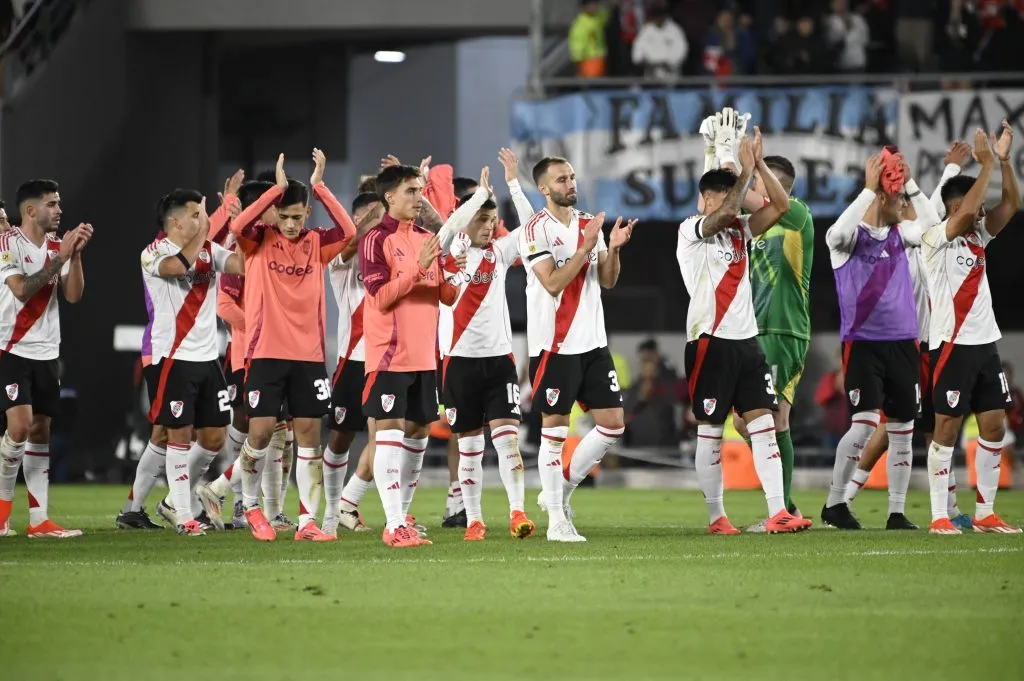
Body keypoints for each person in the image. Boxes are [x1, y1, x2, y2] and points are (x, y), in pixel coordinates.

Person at [677, 128, 810, 535]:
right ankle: (717, 517)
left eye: (727, 197)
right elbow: (722, 215)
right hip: (709, 342)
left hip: (747, 342)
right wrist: (743, 173)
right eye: (717, 198)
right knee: (712, 430)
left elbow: (783, 206)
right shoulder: (691, 230)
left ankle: (778, 512)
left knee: (764, 422)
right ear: (705, 200)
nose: (726, 206)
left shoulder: (742, 232)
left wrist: (759, 166)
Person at [844, 141, 975, 531]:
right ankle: (844, 499)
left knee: (935, 427)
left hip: (929, 343)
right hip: (908, 344)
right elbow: (931, 213)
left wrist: (949, 170)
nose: (903, 200)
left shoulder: (920, 234)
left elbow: (932, 207)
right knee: (892, 428)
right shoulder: (893, 239)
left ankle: (948, 509)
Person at [231, 150, 357, 542]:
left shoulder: (317, 243)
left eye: (296, 216)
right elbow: (238, 223)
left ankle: (306, 522)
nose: (288, 224)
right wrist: (277, 190)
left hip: (308, 356)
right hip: (266, 353)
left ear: (306, 214)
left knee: (308, 437)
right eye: (283, 216)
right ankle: (251, 507)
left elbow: (350, 231)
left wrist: (319, 187)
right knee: (262, 433)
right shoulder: (256, 242)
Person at [117, 171, 243, 531]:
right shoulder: (154, 252)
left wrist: (243, 227)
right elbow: (177, 268)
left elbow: (242, 266)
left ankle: (140, 507)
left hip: (207, 358)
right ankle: (183, 515)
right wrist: (211, 225)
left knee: (213, 436)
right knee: (177, 434)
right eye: (195, 213)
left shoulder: (209, 249)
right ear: (175, 222)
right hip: (171, 356)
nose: (201, 219)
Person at [709, 107, 816, 527]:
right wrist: (722, 157)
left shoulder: (797, 216)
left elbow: (758, 197)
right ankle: (786, 506)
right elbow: (722, 203)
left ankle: (784, 509)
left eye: (756, 180)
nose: (749, 186)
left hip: (783, 328)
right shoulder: (754, 222)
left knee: (769, 419)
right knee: (749, 420)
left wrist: (745, 165)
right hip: (756, 330)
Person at [822, 149, 940, 530]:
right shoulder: (847, 240)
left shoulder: (902, 236)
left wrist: (910, 184)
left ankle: (896, 512)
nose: (905, 204)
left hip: (905, 343)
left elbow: (934, 226)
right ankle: (835, 503)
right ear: (882, 198)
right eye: (900, 197)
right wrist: (868, 190)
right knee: (863, 426)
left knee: (903, 430)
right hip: (863, 343)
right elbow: (836, 233)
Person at [519, 155, 635, 542]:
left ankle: (561, 491)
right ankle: (556, 522)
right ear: (544, 188)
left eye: (571, 176)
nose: (570, 183)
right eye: (561, 179)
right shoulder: (535, 230)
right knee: (553, 432)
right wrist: (585, 248)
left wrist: (613, 249)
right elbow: (551, 283)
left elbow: (607, 280)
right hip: (554, 345)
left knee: (613, 424)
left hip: (593, 343)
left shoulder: (589, 223)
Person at [358, 162, 471, 548]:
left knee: (420, 431)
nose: (418, 197)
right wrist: (419, 268)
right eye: (410, 191)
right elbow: (381, 297)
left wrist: (457, 272)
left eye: (420, 190)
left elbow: (446, 296)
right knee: (388, 430)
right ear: (389, 196)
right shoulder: (375, 240)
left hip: (425, 355)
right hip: (389, 355)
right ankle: (392, 524)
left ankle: (402, 516)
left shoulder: (428, 237)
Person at [921, 124, 1021, 535]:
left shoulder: (979, 236)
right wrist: (981, 168)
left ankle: (985, 513)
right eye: (973, 205)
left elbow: (1012, 203)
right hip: (951, 346)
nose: (981, 211)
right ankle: (939, 514)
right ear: (955, 205)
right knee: (946, 429)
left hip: (984, 346)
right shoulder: (933, 239)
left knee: (994, 426)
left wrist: (1001, 162)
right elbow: (964, 213)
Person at [438, 148, 538, 541]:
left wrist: (512, 183)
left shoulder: (498, 252)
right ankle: (475, 519)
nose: (488, 226)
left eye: (492, 220)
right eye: (482, 219)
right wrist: (478, 198)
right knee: (469, 448)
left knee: (508, 441)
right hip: (459, 362)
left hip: (498, 362)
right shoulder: (447, 251)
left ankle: (517, 513)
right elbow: (447, 236)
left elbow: (532, 228)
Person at [0, 179, 92, 538]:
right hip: (10, 346)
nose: (59, 210)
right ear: (30, 210)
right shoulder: (8, 243)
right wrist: (62, 257)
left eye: (59, 203)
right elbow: (22, 290)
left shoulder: (58, 247)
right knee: (19, 427)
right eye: (52, 204)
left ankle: (39, 520)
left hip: (47, 351)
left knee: (40, 431)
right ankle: (4, 513)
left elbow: (72, 296)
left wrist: (76, 253)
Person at [320, 192, 385, 536]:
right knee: (340, 439)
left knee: (388, 436)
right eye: (376, 220)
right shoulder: (342, 260)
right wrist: (369, 219)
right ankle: (333, 510)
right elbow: (350, 242)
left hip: (386, 361)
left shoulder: (389, 253)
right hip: (352, 361)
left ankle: (348, 501)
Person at [631, 3, 688, 80]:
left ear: (662, 17)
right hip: (650, 74)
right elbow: (638, 50)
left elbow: (682, 49)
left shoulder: (674, 30)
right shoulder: (646, 30)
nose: (655, 21)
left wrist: (669, 63)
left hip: (669, 74)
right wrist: (641, 60)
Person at [569, 0, 612, 77]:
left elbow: (606, 14)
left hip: (601, 61)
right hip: (589, 62)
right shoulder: (580, 25)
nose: (594, 7)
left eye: (596, 4)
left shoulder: (598, 18)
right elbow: (577, 49)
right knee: (592, 85)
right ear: (584, 7)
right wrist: (578, 68)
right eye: (591, 5)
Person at [825, 0, 870, 72]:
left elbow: (865, 40)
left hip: (858, 61)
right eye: (837, 3)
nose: (840, 5)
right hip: (840, 64)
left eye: (842, 2)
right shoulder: (830, 21)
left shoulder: (858, 19)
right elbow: (831, 41)